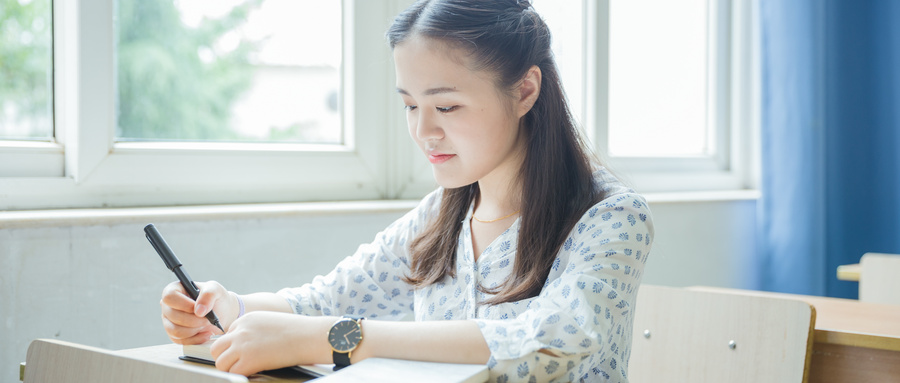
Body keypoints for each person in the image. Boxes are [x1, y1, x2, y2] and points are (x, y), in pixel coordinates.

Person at [159, 0, 654, 381]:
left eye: (447, 107)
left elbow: (552, 341)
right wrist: (229, 308)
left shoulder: (611, 216)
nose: (423, 132)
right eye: (410, 106)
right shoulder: (442, 215)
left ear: (525, 90)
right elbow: (325, 300)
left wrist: (336, 340)